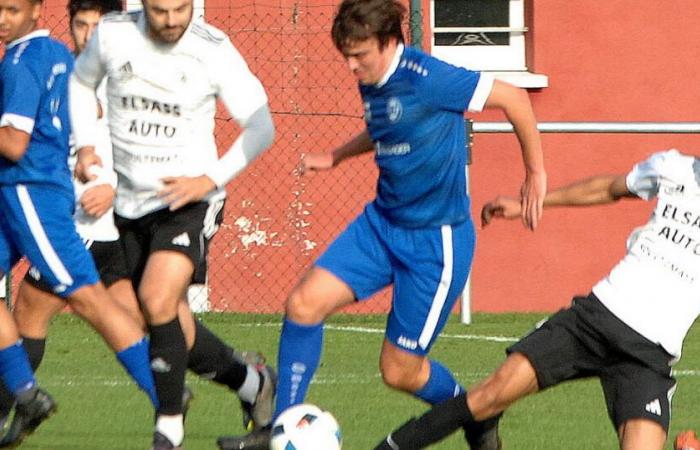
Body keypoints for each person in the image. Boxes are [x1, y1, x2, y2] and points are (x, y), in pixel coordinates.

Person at [218, 0, 546, 448]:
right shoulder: (373, 79)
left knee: (399, 371)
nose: (352, 67)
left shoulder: (430, 79)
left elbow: (514, 97)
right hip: (381, 225)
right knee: (303, 305)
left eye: (360, 55)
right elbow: (385, 126)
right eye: (346, 56)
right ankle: (280, 427)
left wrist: (534, 173)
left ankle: (476, 411)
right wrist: (335, 156)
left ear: (390, 41)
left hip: (435, 243)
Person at [374, 148, 700, 450]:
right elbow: (608, 189)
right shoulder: (675, 168)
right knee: (489, 397)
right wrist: (531, 203)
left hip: (649, 353)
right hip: (593, 319)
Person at [69, 0, 277, 447]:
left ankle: (168, 429)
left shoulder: (213, 48)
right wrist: (86, 145)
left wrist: (208, 178)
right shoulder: (113, 34)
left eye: (181, 9)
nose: (171, 20)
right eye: (161, 10)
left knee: (157, 296)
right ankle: (253, 384)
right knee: (157, 317)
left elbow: (261, 126)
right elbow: (81, 83)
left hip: (191, 200)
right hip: (127, 202)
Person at [0, 0, 160, 445]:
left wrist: (109, 178)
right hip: (48, 197)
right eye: (81, 24)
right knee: (40, 307)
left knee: (96, 302)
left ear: (35, 10)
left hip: (36, 194)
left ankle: (167, 394)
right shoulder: (58, 57)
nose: (2, 18)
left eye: (12, 9)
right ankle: (25, 396)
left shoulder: (27, 62)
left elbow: (14, 142)